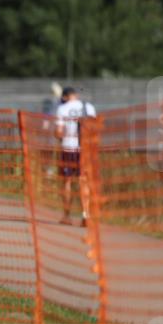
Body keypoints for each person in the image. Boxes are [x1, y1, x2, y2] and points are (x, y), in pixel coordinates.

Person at [56, 86, 96, 226]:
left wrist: (59, 136)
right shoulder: (89, 107)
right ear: (76, 95)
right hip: (85, 149)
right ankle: (86, 215)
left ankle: (67, 216)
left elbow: (59, 132)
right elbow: (94, 129)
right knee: (83, 181)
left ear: (65, 97)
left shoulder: (62, 108)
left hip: (68, 148)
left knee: (67, 181)